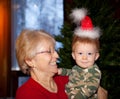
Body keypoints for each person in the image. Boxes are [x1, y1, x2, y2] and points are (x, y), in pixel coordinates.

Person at [15, 29, 107, 99]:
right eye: (49, 51)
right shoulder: (27, 93)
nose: (57, 55)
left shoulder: (66, 79)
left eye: (54, 50)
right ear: (30, 61)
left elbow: (101, 92)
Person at [58, 8, 104, 99]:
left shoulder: (94, 71)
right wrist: (61, 71)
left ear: (96, 56)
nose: (84, 58)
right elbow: (72, 72)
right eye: (80, 53)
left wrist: (78, 97)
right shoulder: (77, 68)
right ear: (73, 55)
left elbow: (92, 87)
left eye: (89, 54)